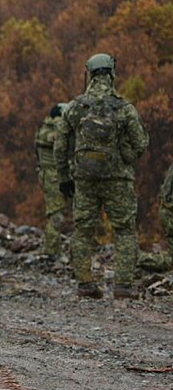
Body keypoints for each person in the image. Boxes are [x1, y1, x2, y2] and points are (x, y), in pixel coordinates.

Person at [55, 53, 149, 299]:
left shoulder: (75, 107)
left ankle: (85, 284)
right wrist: (126, 156)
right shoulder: (124, 108)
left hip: (84, 180)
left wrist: (64, 178)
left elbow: (60, 145)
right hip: (118, 180)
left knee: (83, 231)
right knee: (124, 230)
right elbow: (140, 142)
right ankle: (123, 286)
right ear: (112, 74)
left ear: (89, 74)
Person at [35, 103, 70, 257]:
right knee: (56, 216)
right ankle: (50, 251)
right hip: (52, 177)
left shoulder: (47, 129)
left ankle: (53, 250)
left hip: (57, 176)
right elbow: (58, 140)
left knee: (60, 214)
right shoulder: (49, 131)